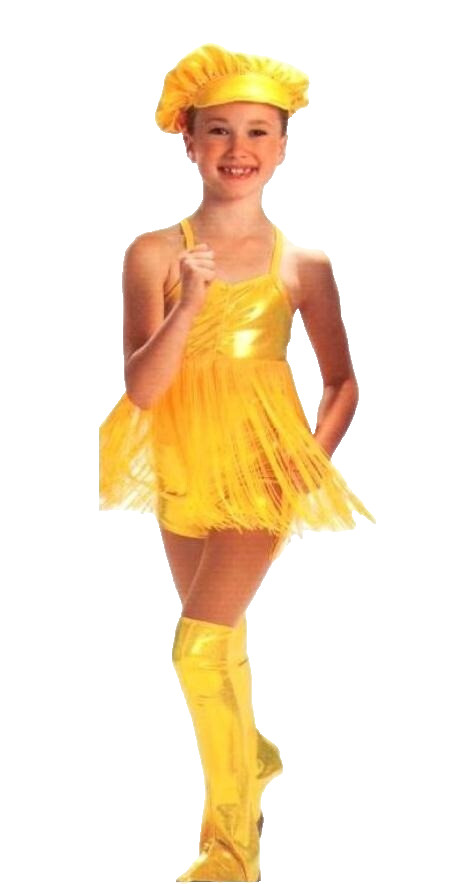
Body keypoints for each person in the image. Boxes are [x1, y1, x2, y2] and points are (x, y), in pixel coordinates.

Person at [99, 43, 376, 882]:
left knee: (195, 648)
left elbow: (342, 382)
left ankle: (231, 852)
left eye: (257, 130)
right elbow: (143, 390)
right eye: (217, 130)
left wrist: (305, 465)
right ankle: (248, 757)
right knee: (220, 644)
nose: (237, 147)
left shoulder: (303, 265)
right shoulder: (153, 254)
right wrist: (188, 304)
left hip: (261, 471)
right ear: (188, 142)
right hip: (182, 465)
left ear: (283, 146)